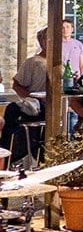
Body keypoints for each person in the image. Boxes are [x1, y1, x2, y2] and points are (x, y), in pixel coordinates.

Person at [0, 27, 47, 164]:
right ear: (42, 42)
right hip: (37, 109)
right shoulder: (33, 62)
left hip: (54, 109)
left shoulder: (60, 62)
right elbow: (17, 85)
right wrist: (32, 99)